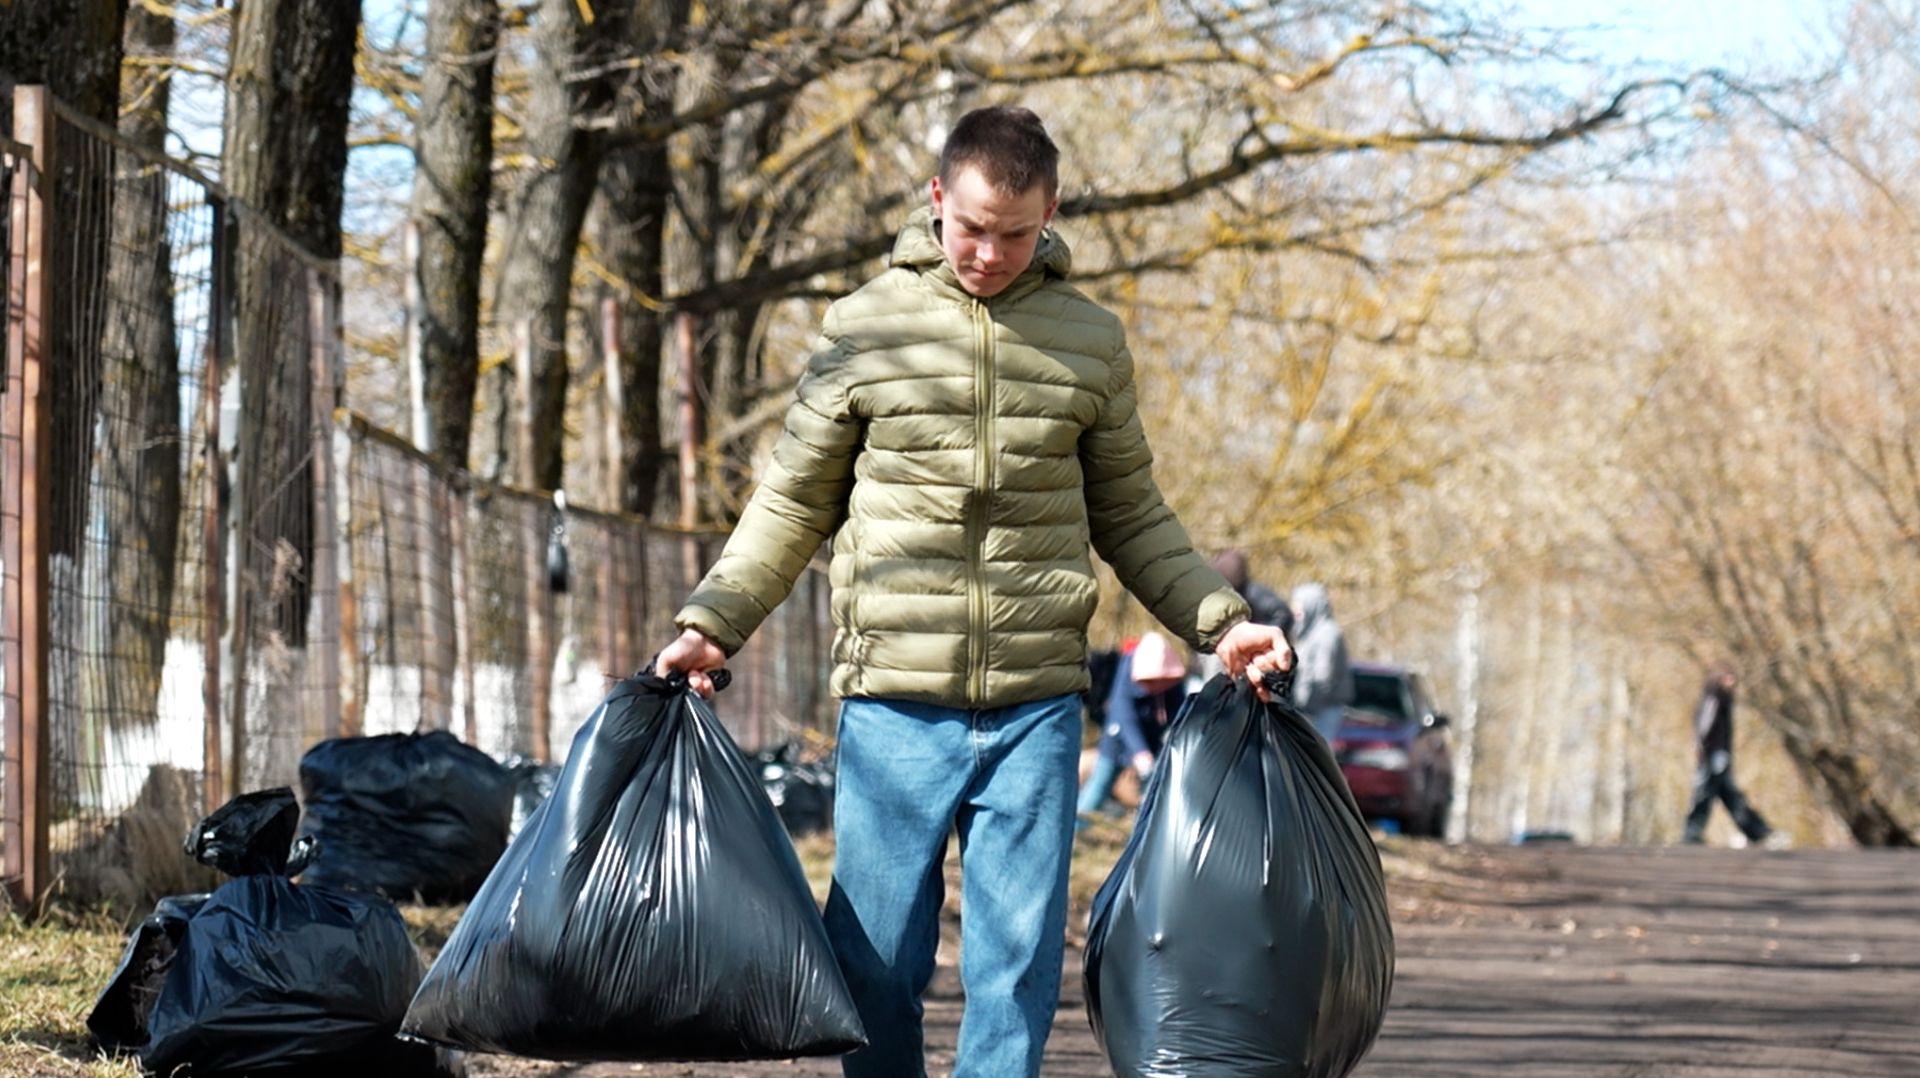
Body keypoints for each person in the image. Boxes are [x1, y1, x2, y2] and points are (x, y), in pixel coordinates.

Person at [654, 106, 1293, 1078]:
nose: (989, 253)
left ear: (1051, 213)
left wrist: (1222, 622)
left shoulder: (1087, 341)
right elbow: (790, 504)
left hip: (1035, 702)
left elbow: (1132, 514)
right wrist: (713, 622)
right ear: (937, 198)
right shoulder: (868, 326)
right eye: (971, 228)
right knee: (873, 961)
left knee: (1015, 965)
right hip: (894, 702)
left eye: (1015, 233)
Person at [1076, 632, 1186, 827]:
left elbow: (1178, 713)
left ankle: (1143, 834)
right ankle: (1079, 826)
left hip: (1153, 739)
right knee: (1100, 785)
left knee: (1151, 791)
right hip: (1117, 739)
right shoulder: (1127, 669)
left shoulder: (1172, 684)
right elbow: (1124, 715)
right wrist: (1140, 752)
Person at [1683, 663, 1778, 846]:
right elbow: (1704, 729)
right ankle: (1692, 834)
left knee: (1727, 796)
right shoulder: (1714, 699)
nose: (1732, 682)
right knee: (1709, 796)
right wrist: (1709, 753)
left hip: (1717, 756)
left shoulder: (1722, 699)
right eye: (1728, 678)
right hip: (1712, 757)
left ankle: (1756, 831)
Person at [1289, 582, 1353, 743]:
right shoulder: (1307, 634)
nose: (1296, 612)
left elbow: (1323, 677)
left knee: (1317, 754)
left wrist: (1307, 707)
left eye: (1300, 606)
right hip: (1311, 709)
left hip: (1322, 710)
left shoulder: (1328, 635)